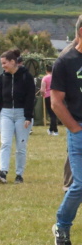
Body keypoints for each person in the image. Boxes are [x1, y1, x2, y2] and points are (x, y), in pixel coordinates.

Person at [53, 17, 82, 244]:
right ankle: (62, 226)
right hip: (79, 131)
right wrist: (75, 129)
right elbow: (56, 102)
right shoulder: (65, 61)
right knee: (80, 184)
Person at [0, 48, 35, 184]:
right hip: (6, 113)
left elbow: (30, 97)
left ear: (13, 62)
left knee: (21, 146)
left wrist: (28, 116)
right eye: (1, 64)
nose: (2, 66)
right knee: (5, 143)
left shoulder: (27, 76)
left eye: (4, 63)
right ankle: (3, 171)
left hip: (22, 114)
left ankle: (19, 174)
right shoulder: (2, 78)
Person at [43, 64, 59, 136]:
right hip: (55, 96)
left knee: (51, 114)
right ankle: (52, 130)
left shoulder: (45, 78)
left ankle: (54, 130)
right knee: (54, 113)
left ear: (46, 71)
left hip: (48, 96)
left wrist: (43, 94)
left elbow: (42, 89)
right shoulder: (56, 77)